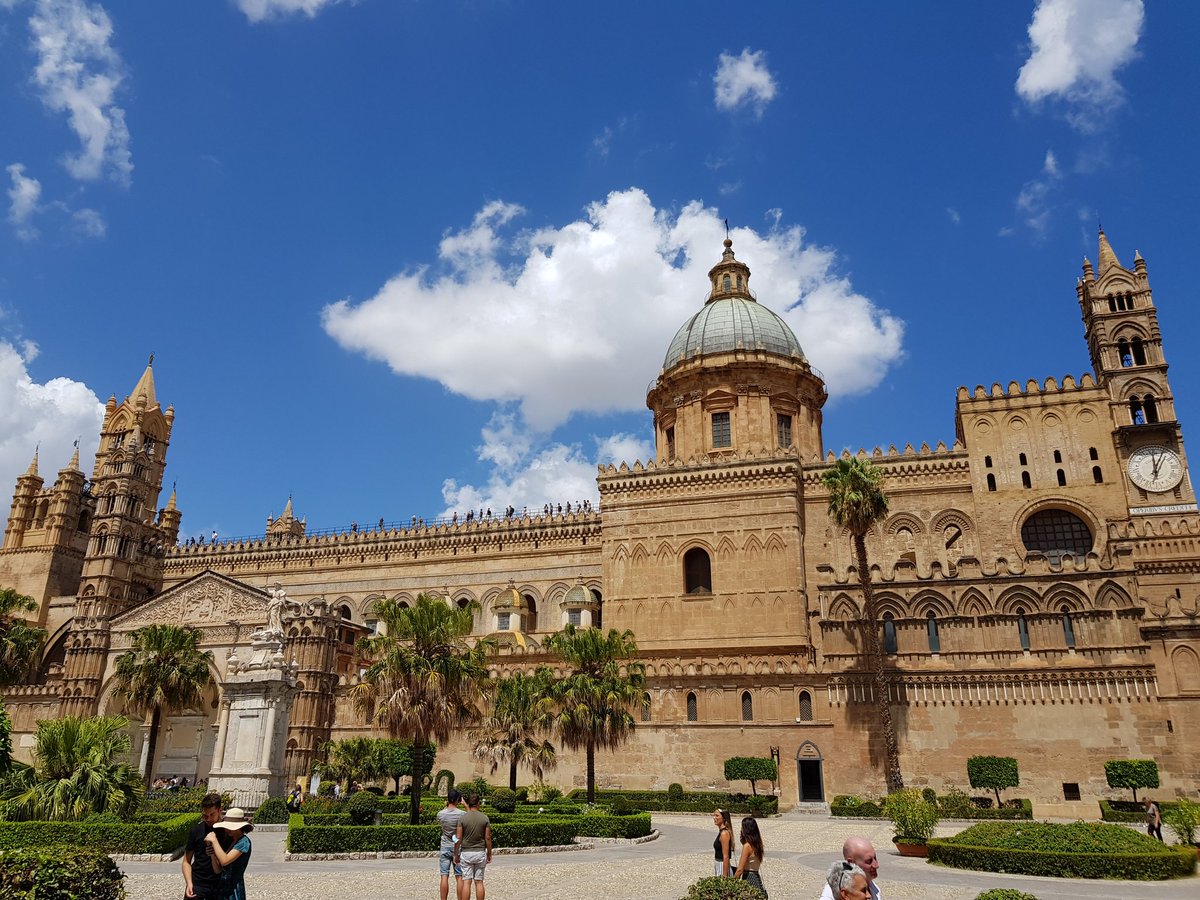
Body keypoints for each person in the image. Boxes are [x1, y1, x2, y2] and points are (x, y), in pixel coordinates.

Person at [205, 807, 254, 900]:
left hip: (234, 889)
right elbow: (218, 870)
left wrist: (214, 840)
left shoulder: (244, 842)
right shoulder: (232, 841)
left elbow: (224, 860)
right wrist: (212, 854)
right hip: (222, 887)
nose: (227, 829)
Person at [182, 791, 223, 899]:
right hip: (198, 882)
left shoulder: (227, 831)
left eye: (212, 815)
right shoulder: (196, 831)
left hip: (219, 884)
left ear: (220, 810)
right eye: (205, 815)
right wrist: (189, 883)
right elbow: (186, 861)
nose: (208, 818)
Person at [454, 794, 492, 900]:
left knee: (467, 881)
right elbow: (488, 838)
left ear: (468, 804)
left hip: (466, 852)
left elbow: (458, 838)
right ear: (478, 803)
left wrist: (456, 853)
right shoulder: (484, 818)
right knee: (479, 882)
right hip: (480, 852)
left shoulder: (462, 818)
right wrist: (489, 852)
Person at [437, 789, 465, 900]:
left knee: (444, 875)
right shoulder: (462, 814)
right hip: (457, 847)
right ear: (458, 799)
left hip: (445, 846)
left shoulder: (441, 814)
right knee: (459, 876)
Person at [733, 816, 767, 897]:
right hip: (756, 877)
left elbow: (740, 869)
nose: (740, 830)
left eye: (742, 828)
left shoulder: (747, 846)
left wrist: (732, 883)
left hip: (749, 878)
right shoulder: (757, 844)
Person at [712, 808, 735, 877]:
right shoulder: (722, 832)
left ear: (724, 818)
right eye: (714, 815)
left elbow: (726, 856)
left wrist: (724, 875)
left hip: (722, 865)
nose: (714, 818)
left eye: (717, 816)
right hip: (718, 864)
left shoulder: (724, 834)